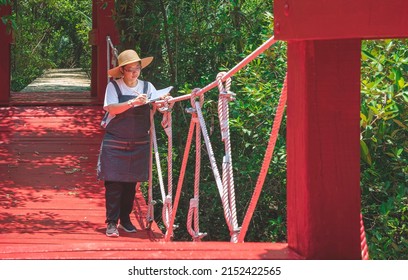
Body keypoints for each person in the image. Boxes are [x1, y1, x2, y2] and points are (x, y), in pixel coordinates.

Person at [97, 49, 156, 237]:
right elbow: (111, 108)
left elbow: (158, 103)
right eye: (130, 69)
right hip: (115, 140)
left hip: (138, 141)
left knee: (131, 183)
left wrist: (165, 103)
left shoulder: (148, 87)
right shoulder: (113, 87)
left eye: (137, 69)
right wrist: (132, 102)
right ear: (122, 70)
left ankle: (125, 218)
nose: (134, 73)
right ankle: (111, 222)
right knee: (114, 183)